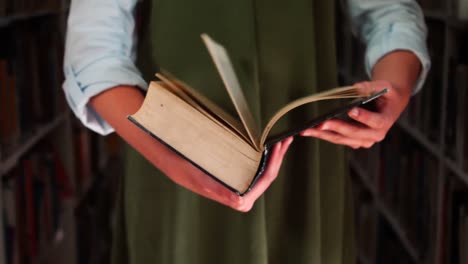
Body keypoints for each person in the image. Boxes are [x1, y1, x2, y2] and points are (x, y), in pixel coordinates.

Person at [63, 0, 430, 263]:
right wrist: (171, 160)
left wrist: (392, 90)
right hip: (173, 157)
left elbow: (390, 13)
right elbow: (95, 57)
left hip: (306, 157)